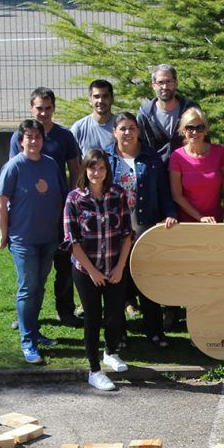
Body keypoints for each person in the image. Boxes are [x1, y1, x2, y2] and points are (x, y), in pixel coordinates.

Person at [8, 87, 82, 329]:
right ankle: (28, 317)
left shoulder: (64, 136)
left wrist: (72, 200)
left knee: (64, 265)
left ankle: (65, 310)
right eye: (39, 108)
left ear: (54, 108)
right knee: (30, 273)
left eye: (48, 108)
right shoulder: (21, 136)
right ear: (32, 108)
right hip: (29, 216)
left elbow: (75, 168)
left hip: (59, 210)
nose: (44, 113)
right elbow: (12, 171)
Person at [0, 119, 65, 365]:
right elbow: (0, 202)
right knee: (28, 288)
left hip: (48, 238)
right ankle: (28, 341)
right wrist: (3, 233)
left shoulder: (50, 164)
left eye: (38, 137)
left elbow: (58, 197)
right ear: (21, 140)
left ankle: (34, 332)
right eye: (29, 137)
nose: (34, 141)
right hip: (23, 240)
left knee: (39, 287)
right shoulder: (13, 167)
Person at [64, 150, 135, 392]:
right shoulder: (74, 199)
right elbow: (72, 241)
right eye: (92, 168)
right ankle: (95, 370)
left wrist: (120, 267)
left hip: (114, 265)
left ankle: (110, 352)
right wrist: (93, 271)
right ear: (85, 170)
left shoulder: (118, 194)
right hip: (87, 270)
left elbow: (127, 234)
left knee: (115, 315)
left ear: (107, 170)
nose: (97, 173)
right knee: (93, 318)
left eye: (102, 168)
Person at [107, 112, 178, 348]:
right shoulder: (107, 158)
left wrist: (170, 214)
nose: (128, 133)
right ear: (114, 132)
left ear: (138, 130)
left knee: (148, 282)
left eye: (132, 128)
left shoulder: (151, 157)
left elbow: (163, 192)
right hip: (115, 233)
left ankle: (154, 331)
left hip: (145, 228)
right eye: (123, 128)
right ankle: (119, 333)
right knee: (118, 283)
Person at [168, 107, 224, 224]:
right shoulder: (177, 156)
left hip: (215, 222)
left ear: (206, 130)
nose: (195, 132)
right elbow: (176, 195)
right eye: (190, 128)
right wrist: (200, 217)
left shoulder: (219, 152)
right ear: (183, 131)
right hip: (186, 224)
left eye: (200, 128)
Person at [137, 64, 198, 162]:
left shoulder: (190, 109)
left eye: (169, 81)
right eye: (160, 82)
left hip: (187, 168)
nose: (165, 87)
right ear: (153, 85)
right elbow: (139, 147)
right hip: (157, 172)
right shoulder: (145, 114)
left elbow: (204, 139)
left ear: (176, 83)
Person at [70, 79, 118, 153]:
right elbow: (72, 159)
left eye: (105, 96)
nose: (100, 101)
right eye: (96, 96)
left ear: (112, 99)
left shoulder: (121, 127)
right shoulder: (79, 128)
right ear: (90, 100)